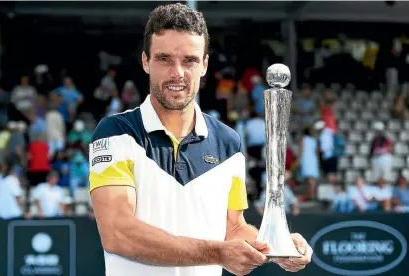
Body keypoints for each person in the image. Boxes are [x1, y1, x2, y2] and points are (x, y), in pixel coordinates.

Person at [89, 4, 312, 276]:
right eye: (164, 59)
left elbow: (233, 228)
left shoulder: (228, 143)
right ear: (146, 61)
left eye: (189, 60)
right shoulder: (116, 132)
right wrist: (217, 253)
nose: (177, 73)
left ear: (204, 65)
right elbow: (117, 233)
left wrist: (276, 246)